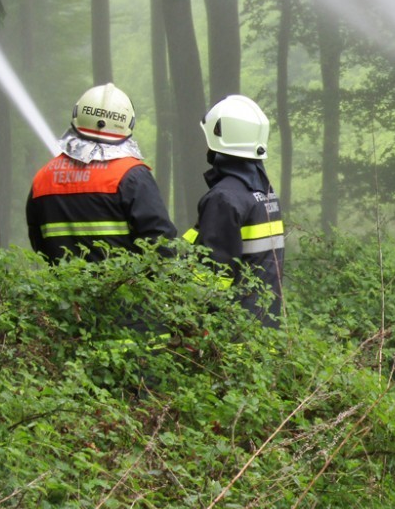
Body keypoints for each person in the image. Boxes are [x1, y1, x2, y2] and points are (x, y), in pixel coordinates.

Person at [26, 83, 176, 263]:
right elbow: (161, 246)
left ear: (77, 115)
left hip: (61, 281)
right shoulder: (132, 175)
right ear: (128, 123)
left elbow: (39, 244)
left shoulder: (43, 178)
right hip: (125, 282)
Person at [183, 95, 285, 327]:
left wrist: (187, 321)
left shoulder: (224, 198)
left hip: (231, 333)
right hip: (265, 328)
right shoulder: (265, 193)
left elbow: (211, 276)